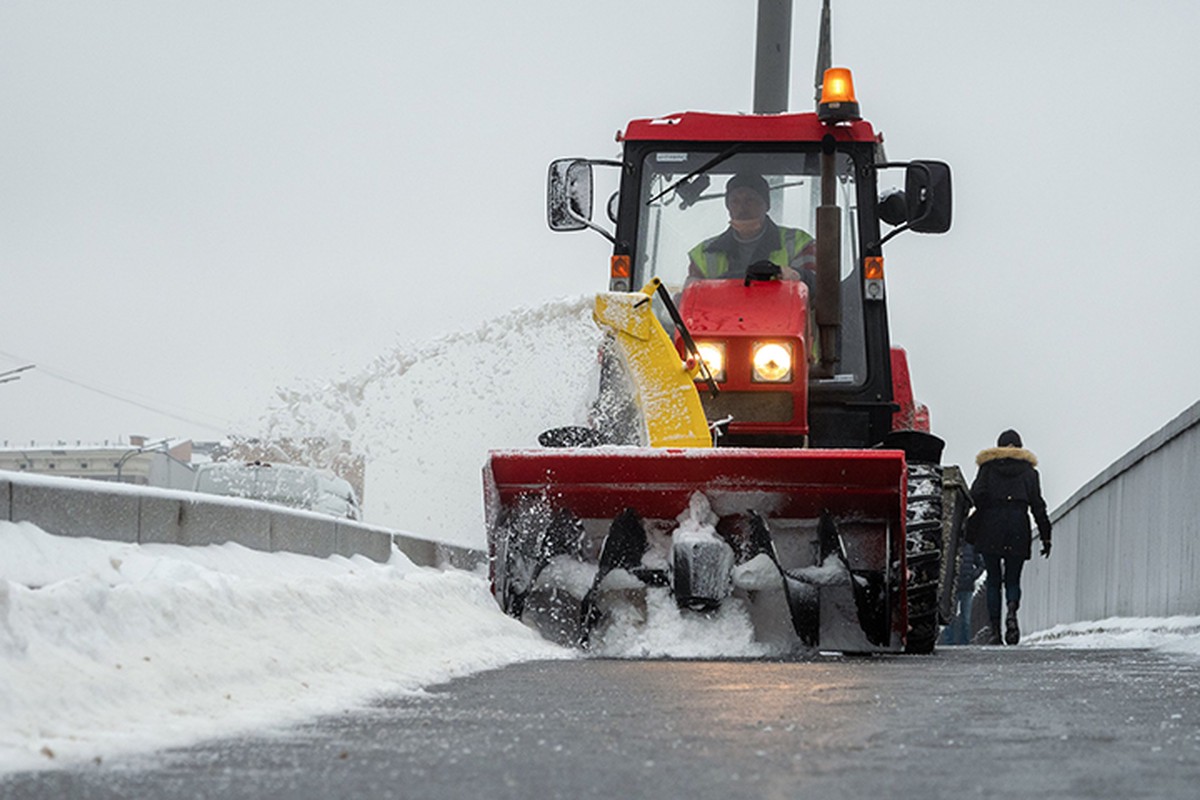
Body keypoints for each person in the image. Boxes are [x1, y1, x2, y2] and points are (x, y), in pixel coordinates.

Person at [969, 429, 1052, 645]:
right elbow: (1037, 505)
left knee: (994, 580)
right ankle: (1012, 615)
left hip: (991, 525)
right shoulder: (1030, 472)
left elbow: (976, 494)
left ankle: (995, 630)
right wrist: (1046, 536)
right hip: (1018, 524)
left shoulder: (987, 468)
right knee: (1013, 579)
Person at [687, 173, 816, 285]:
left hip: (784, 313)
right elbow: (691, 298)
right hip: (719, 314)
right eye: (735, 201)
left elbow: (820, 287)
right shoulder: (704, 254)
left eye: (750, 200)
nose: (742, 209)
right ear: (728, 207)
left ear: (766, 205)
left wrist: (797, 275)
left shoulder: (798, 244)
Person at [940, 538, 985, 645]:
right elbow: (981, 564)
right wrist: (973, 575)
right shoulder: (970, 547)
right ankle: (962, 642)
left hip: (958, 586)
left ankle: (952, 641)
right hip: (963, 586)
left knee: (956, 617)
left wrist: (972, 576)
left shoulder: (953, 546)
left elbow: (981, 564)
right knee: (963, 618)